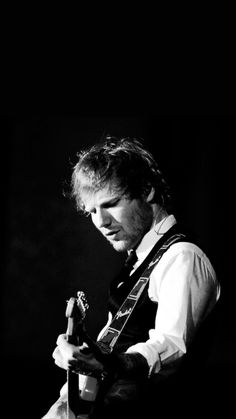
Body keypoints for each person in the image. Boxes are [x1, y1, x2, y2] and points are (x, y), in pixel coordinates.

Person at [42, 136, 220, 419]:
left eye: (110, 204)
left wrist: (109, 365)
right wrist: (80, 359)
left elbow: (171, 346)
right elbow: (115, 345)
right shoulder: (136, 263)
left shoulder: (182, 256)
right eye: (91, 212)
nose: (101, 222)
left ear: (147, 191)